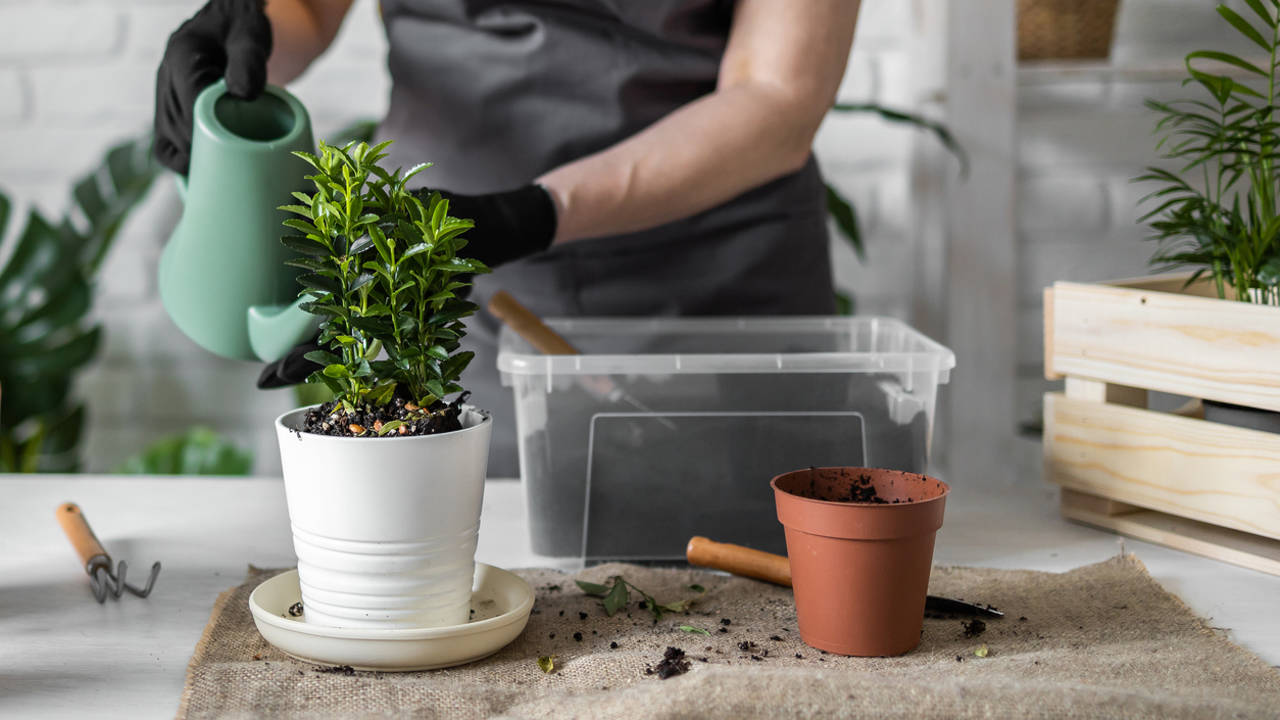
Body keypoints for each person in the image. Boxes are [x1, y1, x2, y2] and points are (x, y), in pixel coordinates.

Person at [154, 0, 861, 477]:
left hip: (714, 287)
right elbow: (307, 9)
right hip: (445, 288)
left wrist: (529, 214)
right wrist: (247, 35)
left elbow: (777, 94)